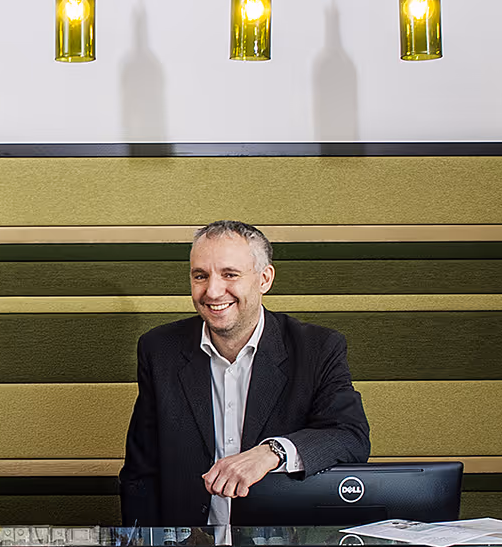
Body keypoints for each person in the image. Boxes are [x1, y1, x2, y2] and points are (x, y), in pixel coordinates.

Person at [120, 221, 371, 527]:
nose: (213, 291)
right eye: (200, 276)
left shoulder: (318, 348)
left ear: (265, 279)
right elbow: (141, 473)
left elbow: (350, 437)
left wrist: (273, 452)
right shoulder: (159, 349)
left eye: (230, 274)